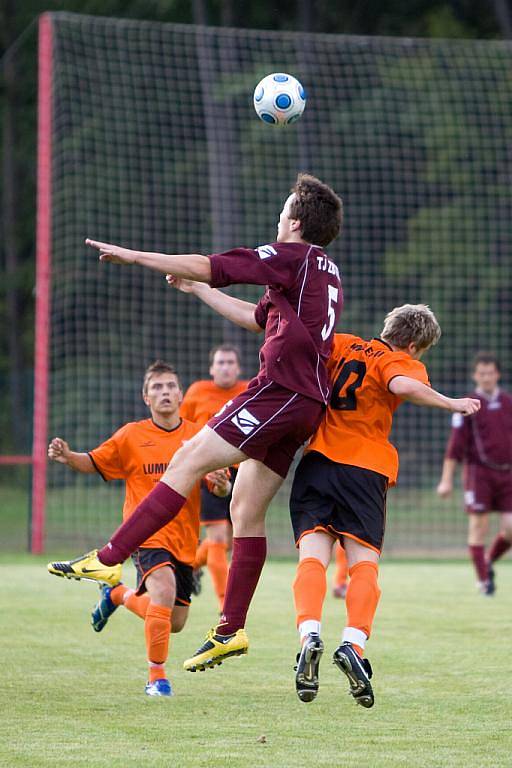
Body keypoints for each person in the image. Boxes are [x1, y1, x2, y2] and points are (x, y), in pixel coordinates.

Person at [48, 173, 344, 672]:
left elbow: (213, 265)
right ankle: (229, 630)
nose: (278, 214)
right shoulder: (322, 270)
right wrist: (194, 290)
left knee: (184, 459)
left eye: (284, 207)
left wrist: (137, 257)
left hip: (280, 391)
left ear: (294, 221)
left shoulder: (290, 256)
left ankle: (109, 555)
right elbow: (258, 318)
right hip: (304, 401)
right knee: (246, 511)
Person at [289, 305, 480, 707]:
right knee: (364, 566)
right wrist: (452, 403)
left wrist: (200, 286)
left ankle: (309, 635)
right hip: (364, 470)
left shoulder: (341, 343)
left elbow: (269, 324)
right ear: (413, 345)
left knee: (312, 558)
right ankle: (353, 644)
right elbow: (401, 385)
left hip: (317, 463)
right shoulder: (398, 361)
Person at [47, 361, 230, 696]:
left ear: (180, 393)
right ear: (146, 398)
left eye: (170, 386)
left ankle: (116, 594)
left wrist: (221, 486)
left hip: (184, 540)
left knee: (173, 622)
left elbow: (217, 485)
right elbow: (95, 461)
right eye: (156, 387)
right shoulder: (131, 435)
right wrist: (69, 456)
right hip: (146, 535)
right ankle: (156, 678)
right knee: (162, 589)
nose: (164, 392)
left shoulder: (198, 437)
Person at [437, 352, 512, 595]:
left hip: (507, 474)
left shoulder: (508, 402)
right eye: (482, 373)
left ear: (497, 374)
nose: (486, 377)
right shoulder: (468, 403)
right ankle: (483, 583)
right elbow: (455, 446)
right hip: (478, 473)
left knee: (510, 528)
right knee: (479, 526)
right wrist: (446, 480)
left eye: (490, 373)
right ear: (475, 375)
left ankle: (488, 561)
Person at [181, 344, 248, 610]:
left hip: (241, 474)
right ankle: (225, 606)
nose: (225, 367)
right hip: (208, 473)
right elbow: (182, 430)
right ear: (211, 368)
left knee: (226, 543)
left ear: (238, 367)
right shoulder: (197, 391)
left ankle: (192, 566)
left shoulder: (249, 390)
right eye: (220, 362)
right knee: (218, 538)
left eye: (230, 362)